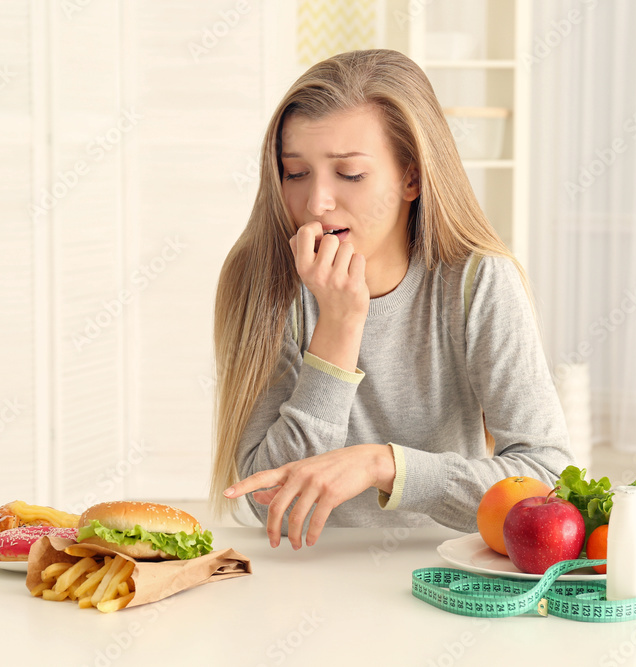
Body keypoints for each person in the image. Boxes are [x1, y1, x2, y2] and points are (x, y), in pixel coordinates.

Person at [211, 49, 573, 549]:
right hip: (301, 575)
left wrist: (385, 465)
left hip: (448, 572)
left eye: (350, 174)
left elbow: (548, 479)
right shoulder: (264, 280)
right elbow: (265, 495)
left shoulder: (479, 281)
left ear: (411, 177)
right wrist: (338, 328)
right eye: (295, 173)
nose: (316, 202)